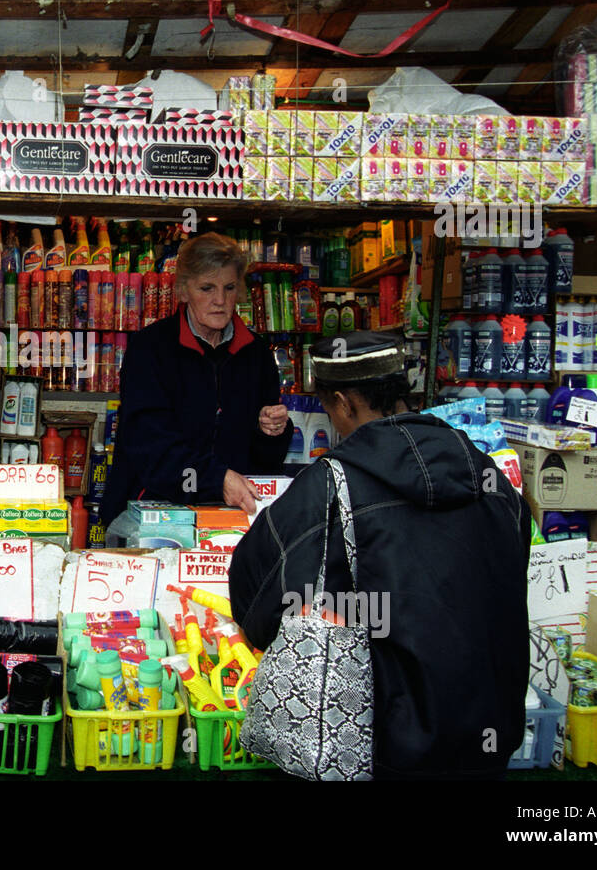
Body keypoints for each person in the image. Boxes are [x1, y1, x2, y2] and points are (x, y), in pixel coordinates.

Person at [228, 332, 531, 780]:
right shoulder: (486, 473)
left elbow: (252, 599)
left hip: (380, 745)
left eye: (330, 409)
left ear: (342, 403)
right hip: (489, 739)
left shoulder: (329, 485)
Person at [101, 232, 291, 524]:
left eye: (229, 288)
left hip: (231, 518)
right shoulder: (150, 348)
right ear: (183, 290)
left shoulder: (256, 352)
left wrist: (272, 431)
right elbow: (148, 443)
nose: (219, 300)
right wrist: (215, 479)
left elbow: (264, 462)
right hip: (152, 512)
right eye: (206, 288)